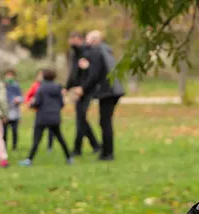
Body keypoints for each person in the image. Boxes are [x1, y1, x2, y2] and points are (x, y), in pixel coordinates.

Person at [74, 30, 125, 161]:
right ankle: (106, 151)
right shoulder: (106, 50)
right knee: (105, 122)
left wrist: (83, 88)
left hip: (108, 91)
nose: (86, 42)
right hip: (114, 90)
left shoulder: (96, 51)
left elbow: (95, 75)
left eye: (88, 39)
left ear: (95, 40)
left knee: (105, 123)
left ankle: (108, 154)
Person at [18, 69, 73, 167]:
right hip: (55, 117)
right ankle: (69, 158)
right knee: (60, 138)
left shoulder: (41, 88)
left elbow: (37, 102)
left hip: (42, 117)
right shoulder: (58, 88)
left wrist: (31, 105)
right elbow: (61, 103)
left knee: (36, 140)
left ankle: (29, 160)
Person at [66, 31, 100, 156]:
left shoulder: (88, 53)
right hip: (78, 89)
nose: (71, 42)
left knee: (81, 119)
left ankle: (77, 149)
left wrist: (83, 88)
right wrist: (67, 86)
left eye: (73, 39)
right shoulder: (75, 54)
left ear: (79, 39)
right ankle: (95, 145)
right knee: (81, 119)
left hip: (87, 91)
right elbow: (74, 72)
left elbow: (92, 75)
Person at [24, 69, 54, 151]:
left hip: (50, 112)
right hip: (40, 112)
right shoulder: (35, 86)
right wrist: (30, 103)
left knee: (52, 131)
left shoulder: (52, 86)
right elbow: (28, 96)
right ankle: (34, 147)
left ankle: (50, 147)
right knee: (37, 131)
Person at [3, 69, 23, 151]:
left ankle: (14, 147)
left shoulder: (16, 86)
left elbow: (21, 97)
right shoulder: (2, 86)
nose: (9, 77)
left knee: (14, 131)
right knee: (4, 132)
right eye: (8, 75)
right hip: (5, 113)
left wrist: (18, 100)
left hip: (14, 112)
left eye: (11, 75)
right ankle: (3, 147)